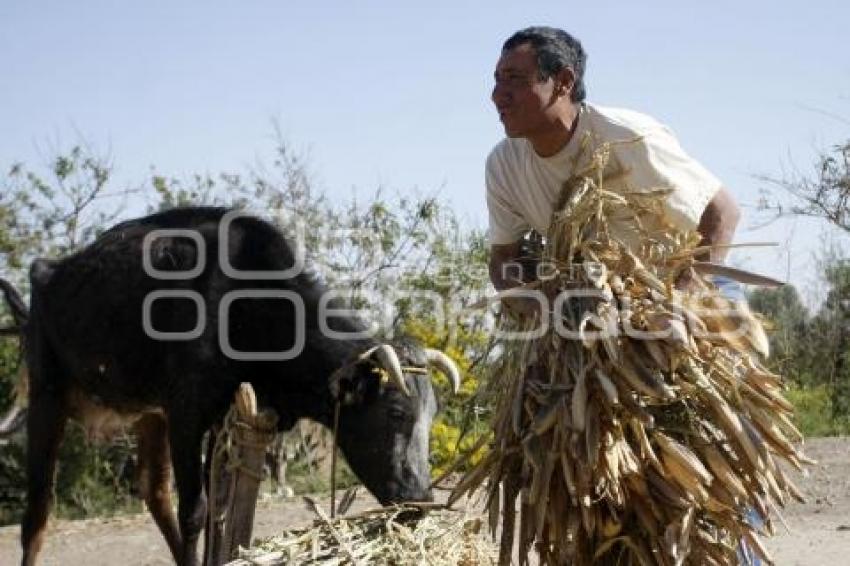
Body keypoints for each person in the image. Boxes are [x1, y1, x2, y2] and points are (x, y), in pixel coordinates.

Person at [485, 26, 741, 304]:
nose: (498, 95)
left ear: (564, 82)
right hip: (603, 303)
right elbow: (503, 260)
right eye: (497, 80)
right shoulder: (504, 166)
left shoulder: (627, 137)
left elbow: (723, 211)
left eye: (516, 80)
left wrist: (681, 299)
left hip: (687, 285)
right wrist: (546, 312)